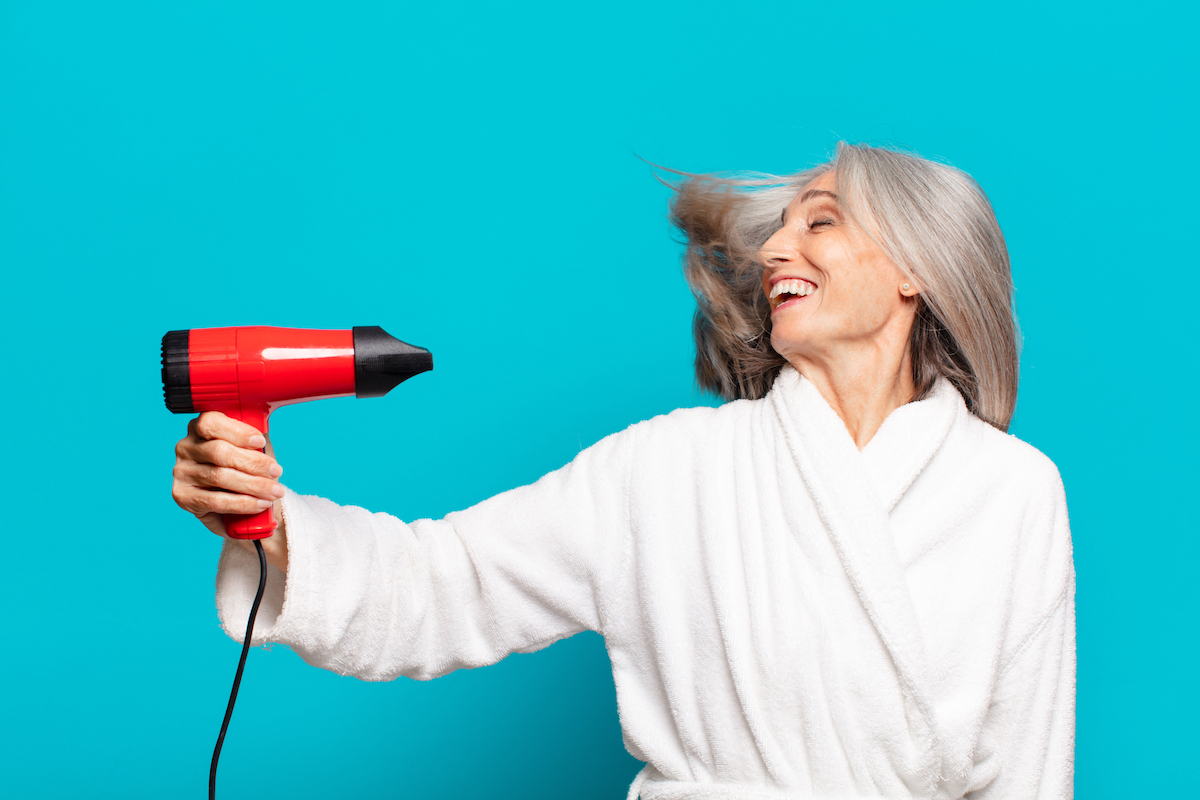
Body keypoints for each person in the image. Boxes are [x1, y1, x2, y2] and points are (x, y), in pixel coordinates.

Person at [171, 143, 1075, 799]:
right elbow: (445, 585)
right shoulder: (668, 468)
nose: (772, 254)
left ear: (918, 266)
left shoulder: (1012, 490)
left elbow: (1033, 770)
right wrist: (273, 522)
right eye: (779, 229)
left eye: (822, 223)